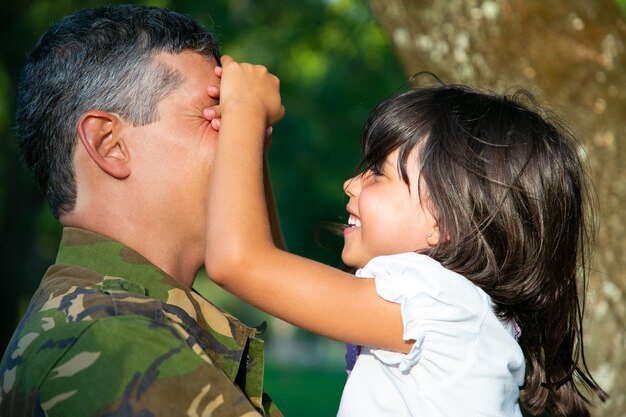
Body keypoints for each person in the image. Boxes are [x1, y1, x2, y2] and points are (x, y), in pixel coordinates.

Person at [203, 57, 608, 416]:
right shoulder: (455, 309)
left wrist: (244, 110)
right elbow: (271, 266)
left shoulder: (437, 300)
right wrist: (248, 143)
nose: (351, 183)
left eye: (379, 172)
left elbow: (237, 262)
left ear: (446, 224)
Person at [0, 5, 284, 417]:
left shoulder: (113, 317)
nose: (245, 135)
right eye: (217, 113)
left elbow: (273, 263)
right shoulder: (112, 337)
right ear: (109, 144)